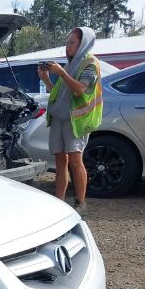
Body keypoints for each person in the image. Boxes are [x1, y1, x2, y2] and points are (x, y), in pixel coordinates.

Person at [37, 27, 103, 217]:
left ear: (82, 43)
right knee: (60, 162)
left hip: (76, 121)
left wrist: (61, 73)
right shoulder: (69, 65)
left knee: (75, 161)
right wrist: (47, 78)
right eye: (67, 43)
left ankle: (80, 203)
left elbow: (80, 89)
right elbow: (57, 92)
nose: (67, 47)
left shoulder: (90, 64)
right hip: (59, 118)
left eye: (72, 43)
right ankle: (59, 203)